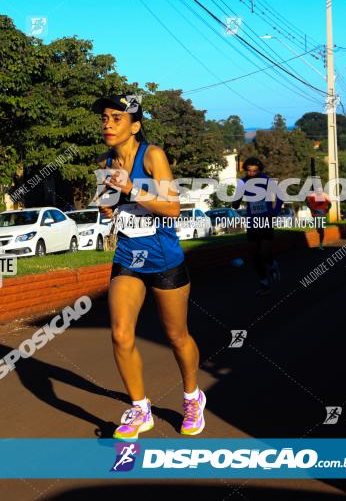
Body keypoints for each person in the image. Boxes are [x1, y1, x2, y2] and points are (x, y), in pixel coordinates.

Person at [93, 94, 205, 441]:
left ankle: (192, 398)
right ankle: (140, 408)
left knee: (176, 336)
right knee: (121, 334)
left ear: (135, 126)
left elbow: (173, 209)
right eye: (105, 118)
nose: (107, 124)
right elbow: (109, 210)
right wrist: (108, 205)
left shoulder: (152, 155)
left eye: (116, 118)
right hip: (128, 255)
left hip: (164, 257)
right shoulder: (105, 161)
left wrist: (131, 188)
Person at [232, 157, 282, 295]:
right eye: (249, 171)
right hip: (252, 222)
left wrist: (274, 211)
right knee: (255, 255)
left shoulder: (267, 180)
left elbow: (280, 196)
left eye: (255, 171)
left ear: (260, 170)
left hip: (266, 220)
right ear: (245, 170)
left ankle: (272, 265)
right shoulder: (243, 183)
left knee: (264, 252)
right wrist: (237, 197)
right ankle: (264, 283)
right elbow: (235, 204)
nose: (252, 173)